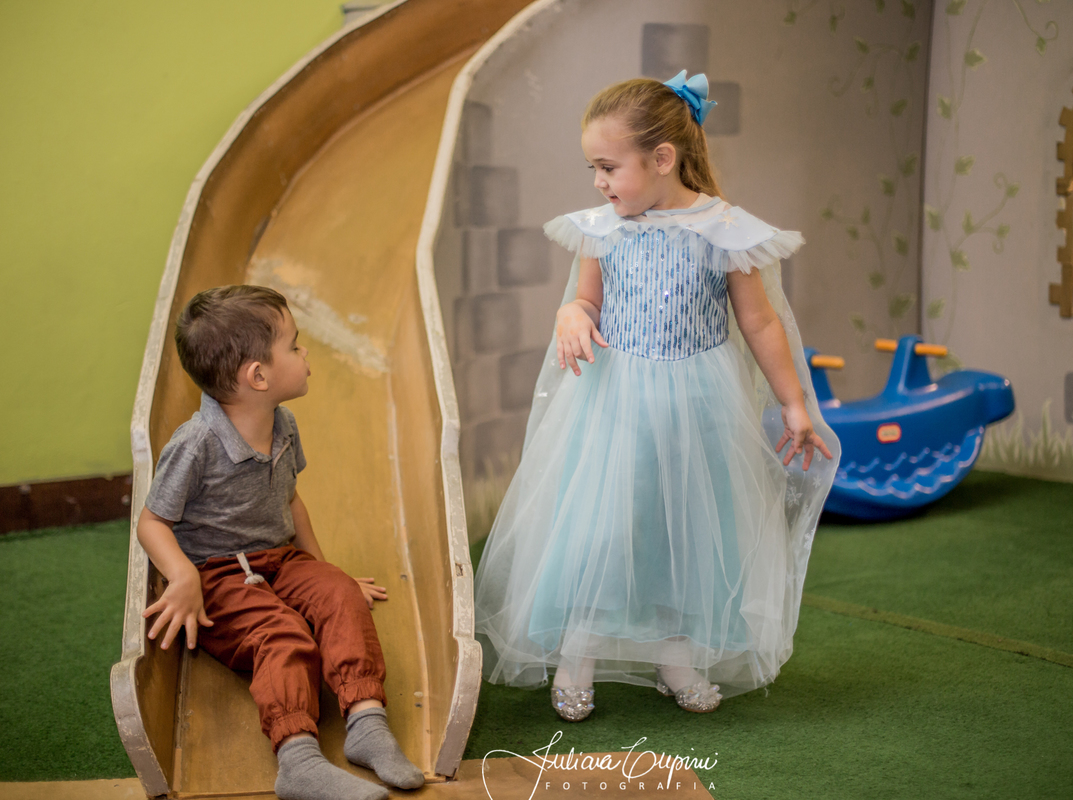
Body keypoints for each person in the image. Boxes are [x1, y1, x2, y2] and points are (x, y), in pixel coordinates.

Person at [473, 72, 840, 722]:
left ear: (662, 158)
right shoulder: (602, 230)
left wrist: (794, 402)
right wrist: (571, 314)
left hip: (698, 409)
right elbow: (586, 300)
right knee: (604, 529)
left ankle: (677, 654)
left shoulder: (724, 230)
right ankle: (579, 651)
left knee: (688, 531)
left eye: (608, 167)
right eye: (593, 168)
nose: (598, 182)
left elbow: (759, 322)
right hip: (615, 406)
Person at [136, 285, 423, 800]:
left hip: (280, 558)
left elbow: (291, 500)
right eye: (293, 345)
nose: (305, 352)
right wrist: (182, 576)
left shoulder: (283, 423)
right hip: (218, 576)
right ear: (258, 376)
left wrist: (326, 575)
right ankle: (298, 760)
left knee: (340, 594)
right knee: (284, 634)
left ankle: (366, 724)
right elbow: (152, 521)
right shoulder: (196, 444)